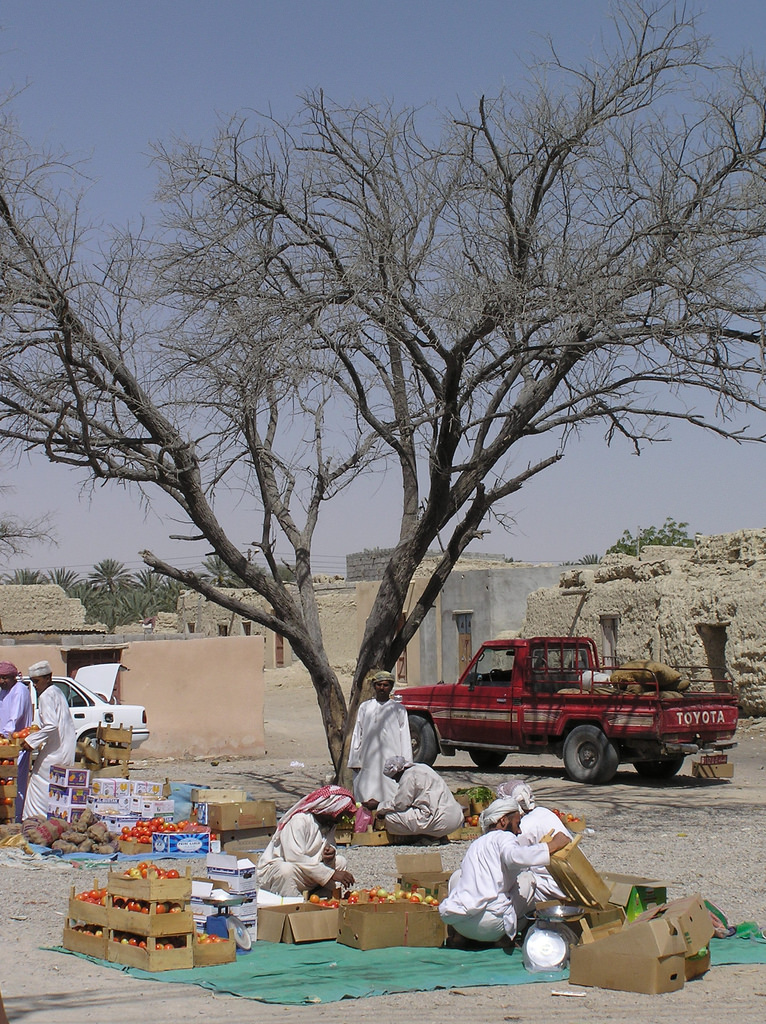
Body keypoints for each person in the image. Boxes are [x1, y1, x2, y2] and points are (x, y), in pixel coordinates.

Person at [438, 796, 570, 946]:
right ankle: (504, 939)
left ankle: (460, 937)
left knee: (457, 875)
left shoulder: (476, 844)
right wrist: (552, 845)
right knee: (528, 879)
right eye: (517, 824)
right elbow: (515, 857)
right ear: (503, 821)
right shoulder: (504, 837)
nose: (519, 831)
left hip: (461, 922)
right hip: (492, 926)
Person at [257, 785, 357, 898]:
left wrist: (329, 855)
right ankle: (293, 905)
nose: (340, 819)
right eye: (340, 815)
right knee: (286, 869)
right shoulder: (299, 820)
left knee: (340, 861)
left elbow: (324, 850)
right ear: (328, 810)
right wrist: (331, 874)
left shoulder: (329, 824)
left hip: (308, 870)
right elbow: (294, 858)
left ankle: (324, 900)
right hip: (286, 870)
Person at [497, 779, 572, 900]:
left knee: (513, 885)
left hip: (554, 886)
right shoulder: (543, 811)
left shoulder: (523, 827)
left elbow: (517, 862)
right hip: (571, 880)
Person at [21, 660, 76, 820]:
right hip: (63, 747)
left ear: (48, 678)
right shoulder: (56, 691)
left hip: (56, 750)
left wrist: (32, 741)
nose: (35, 686)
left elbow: (51, 725)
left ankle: (34, 820)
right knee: (54, 783)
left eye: (37, 682)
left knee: (38, 779)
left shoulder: (46, 696)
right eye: (33, 682)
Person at [348, 669, 412, 805]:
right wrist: (354, 760)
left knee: (390, 796)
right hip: (367, 760)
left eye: (386, 685)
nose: (382, 688)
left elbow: (405, 737)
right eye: (379, 685)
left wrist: (405, 763)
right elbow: (357, 734)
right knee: (365, 796)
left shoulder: (399, 709)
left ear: (391, 687)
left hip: (391, 762)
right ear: (374, 686)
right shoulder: (365, 707)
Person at [364, 755, 464, 841]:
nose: (396, 781)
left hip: (439, 820)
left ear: (398, 772)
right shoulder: (423, 767)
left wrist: (378, 806)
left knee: (391, 818)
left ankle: (426, 837)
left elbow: (400, 805)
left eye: (394, 778)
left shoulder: (408, 776)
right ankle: (438, 835)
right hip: (455, 818)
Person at [0, 661, 33, 821]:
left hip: (16, 745)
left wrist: (5, 735)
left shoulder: (19, 690)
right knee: (5, 781)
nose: (1, 681)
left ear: (13, 677)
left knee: (15, 782)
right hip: (5, 744)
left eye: (4, 678)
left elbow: (14, 718)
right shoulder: (4, 691)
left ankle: (16, 818)